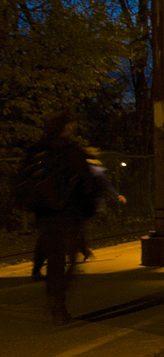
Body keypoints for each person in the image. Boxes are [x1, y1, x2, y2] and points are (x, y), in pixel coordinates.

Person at [15, 110, 101, 324]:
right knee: (69, 261)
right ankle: (59, 305)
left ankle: (54, 300)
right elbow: (88, 183)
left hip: (44, 215)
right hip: (68, 215)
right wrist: (87, 211)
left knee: (54, 260)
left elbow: (21, 180)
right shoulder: (72, 151)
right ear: (67, 127)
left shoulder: (36, 151)